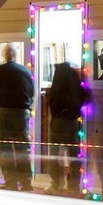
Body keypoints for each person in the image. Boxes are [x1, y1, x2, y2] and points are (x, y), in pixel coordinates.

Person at [0, 44, 36, 190]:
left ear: (4, 55)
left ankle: (10, 181)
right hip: (21, 112)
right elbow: (31, 91)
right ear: (15, 55)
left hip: (2, 111)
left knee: (4, 147)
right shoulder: (25, 71)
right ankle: (26, 181)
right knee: (22, 148)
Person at [41, 60, 91, 193]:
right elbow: (83, 96)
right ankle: (73, 185)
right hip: (73, 120)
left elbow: (54, 97)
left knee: (54, 154)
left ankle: (55, 184)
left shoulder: (59, 76)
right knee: (73, 154)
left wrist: (53, 109)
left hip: (58, 120)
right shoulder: (74, 78)